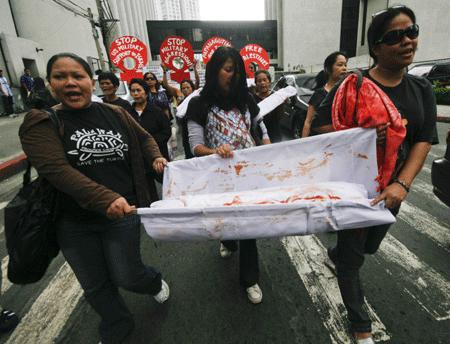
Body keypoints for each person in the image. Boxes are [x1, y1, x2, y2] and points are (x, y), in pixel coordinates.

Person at [19, 53, 170, 344]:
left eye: (78, 76)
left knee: (127, 274)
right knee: (95, 284)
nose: (71, 83)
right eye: (61, 77)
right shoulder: (41, 122)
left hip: (123, 215)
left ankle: (151, 281)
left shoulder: (115, 113)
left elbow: (145, 139)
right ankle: (117, 325)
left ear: (91, 82)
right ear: (50, 84)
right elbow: (56, 170)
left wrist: (156, 158)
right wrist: (104, 198)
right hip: (72, 221)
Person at [313, 6, 438, 343]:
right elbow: (320, 128)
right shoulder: (352, 85)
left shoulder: (421, 89)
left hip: (392, 191)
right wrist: (362, 133)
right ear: (377, 47)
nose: (407, 40)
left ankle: (336, 254)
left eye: (412, 31)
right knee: (352, 262)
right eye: (395, 36)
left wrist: (402, 183)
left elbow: (424, 139)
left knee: (368, 248)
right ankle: (360, 327)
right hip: (355, 189)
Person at [186, 46, 270, 304]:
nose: (233, 76)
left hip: (249, 175)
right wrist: (214, 150)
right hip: (218, 176)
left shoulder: (245, 98)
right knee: (227, 219)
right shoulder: (199, 103)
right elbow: (194, 145)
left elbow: (259, 125)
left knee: (247, 225)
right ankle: (227, 241)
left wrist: (267, 142)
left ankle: (250, 279)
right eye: (228, 70)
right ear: (214, 71)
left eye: (237, 71)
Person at [128, 78, 171, 190]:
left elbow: (166, 132)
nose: (136, 94)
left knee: (167, 187)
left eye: (138, 90)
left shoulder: (156, 111)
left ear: (146, 93)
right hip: (138, 159)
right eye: (133, 91)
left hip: (158, 156)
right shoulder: (128, 113)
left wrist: (149, 143)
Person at [301, 51, 348, 138]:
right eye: (340, 65)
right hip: (321, 142)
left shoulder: (349, 92)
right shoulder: (319, 94)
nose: (344, 68)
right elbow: (308, 122)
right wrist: (303, 145)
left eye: (345, 65)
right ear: (328, 69)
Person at [161, 62, 200, 159]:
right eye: (183, 88)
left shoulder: (195, 95)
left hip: (196, 126)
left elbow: (197, 81)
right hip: (185, 128)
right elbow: (165, 85)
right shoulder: (179, 96)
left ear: (192, 88)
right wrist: (165, 71)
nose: (185, 90)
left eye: (188, 87)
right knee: (188, 150)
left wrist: (194, 68)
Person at [252, 70, 283, 143]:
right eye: (259, 81)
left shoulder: (276, 97)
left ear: (269, 81)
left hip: (276, 137)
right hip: (259, 138)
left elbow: (279, 117)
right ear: (256, 83)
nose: (262, 83)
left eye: (264, 80)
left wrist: (282, 103)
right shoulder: (252, 99)